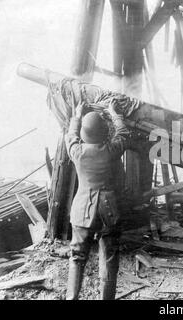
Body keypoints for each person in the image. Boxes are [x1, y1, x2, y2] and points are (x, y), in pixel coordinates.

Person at [64, 99, 133, 300]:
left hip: (82, 211)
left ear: (85, 135)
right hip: (108, 211)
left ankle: (72, 297)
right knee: (109, 257)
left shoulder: (77, 152)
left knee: (77, 257)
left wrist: (77, 115)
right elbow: (123, 134)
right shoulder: (111, 151)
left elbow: (70, 136)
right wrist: (114, 113)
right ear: (104, 132)